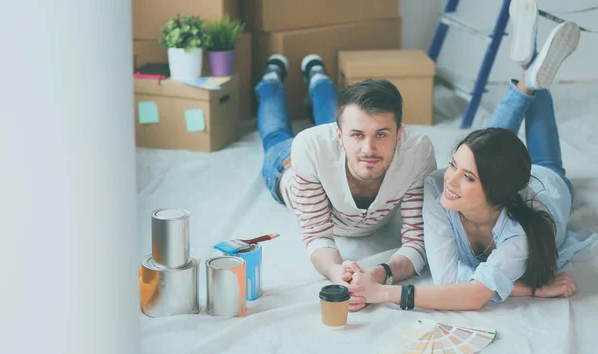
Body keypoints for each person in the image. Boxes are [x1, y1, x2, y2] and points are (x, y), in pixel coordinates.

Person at [349, 1, 598, 311]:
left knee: (546, 165)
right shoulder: (438, 187)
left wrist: (384, 294)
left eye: (466, 178)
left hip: (551, 188)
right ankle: (529, 75)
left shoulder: (520, 235)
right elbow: (449, 279)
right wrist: (522, 288)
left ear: (494, 193)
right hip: (501, 173)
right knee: (481, 148)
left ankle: (531, 73)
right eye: (453, 165)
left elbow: (467, 293)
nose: (448, 179)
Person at [254, 54, 437, 311]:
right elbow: (318, 235)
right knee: (275, 133)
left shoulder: (417, 153)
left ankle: (317, 76)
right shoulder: (310, 146)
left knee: (344, 116)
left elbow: (418, 242)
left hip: (327, 148)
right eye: (357, 135)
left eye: (381, 134)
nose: (369, 149)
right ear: (339, 136)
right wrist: (337, 272)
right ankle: (272, 80)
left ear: (399, 134)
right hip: (286, 165)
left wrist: (380, 274)